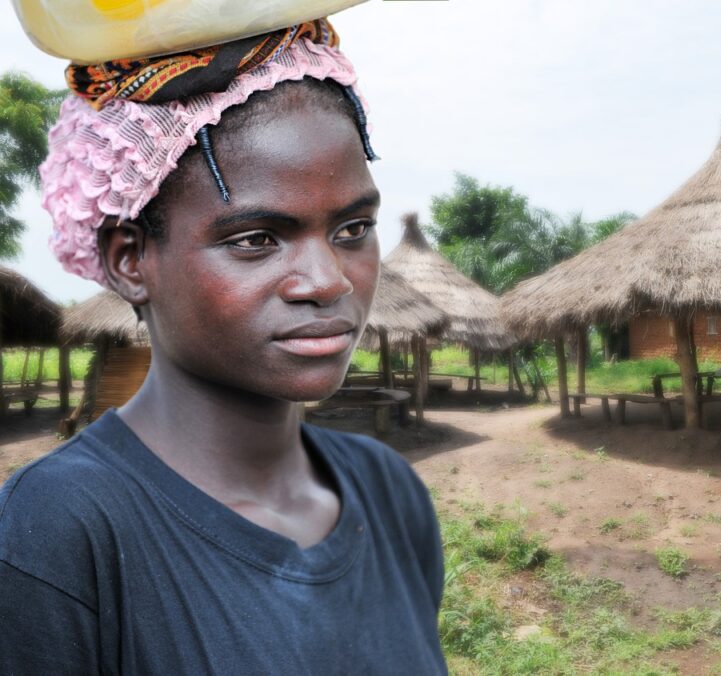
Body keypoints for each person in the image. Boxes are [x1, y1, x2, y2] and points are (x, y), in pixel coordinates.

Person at [0, 19, 447, 674]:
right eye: (257, 239)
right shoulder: (58, 532)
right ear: (131, 260)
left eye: (353, 228)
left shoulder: (389, 493)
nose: (328, 281)